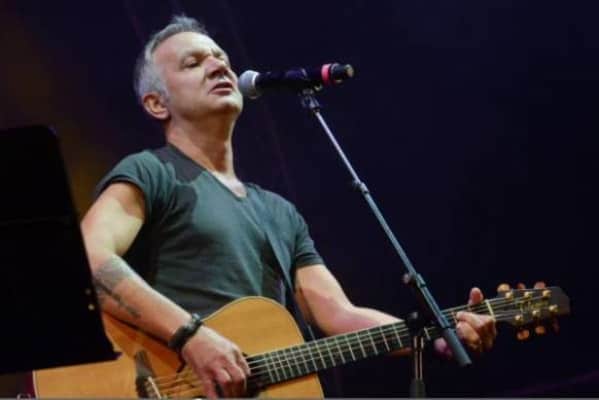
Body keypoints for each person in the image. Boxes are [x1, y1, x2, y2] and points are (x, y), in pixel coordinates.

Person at [82, 15, 496, 398]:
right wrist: (190, 336)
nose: (217, 66)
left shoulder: (278, 211)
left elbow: (337, 313)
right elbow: (89, 259)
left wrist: (438, 335)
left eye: (221, 58)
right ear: (157, 103)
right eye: (193, 63)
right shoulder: (151, 172)